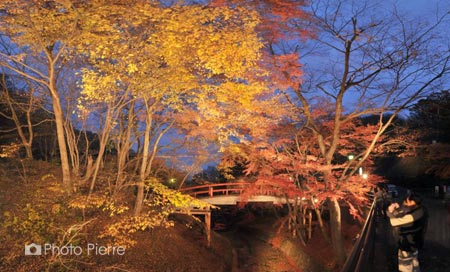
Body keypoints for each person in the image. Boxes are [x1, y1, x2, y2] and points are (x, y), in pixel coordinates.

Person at [386, 192, 427, 272]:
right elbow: (404, 217)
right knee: (414, 263)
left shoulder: (414, 214)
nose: (405, 203)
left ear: (413, 202)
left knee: (405, 267)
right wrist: (397, 210)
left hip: (407, 243)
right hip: (415, 242)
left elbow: (395, 222)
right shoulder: (421, 209)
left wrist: (390, 211)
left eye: (407, 201)